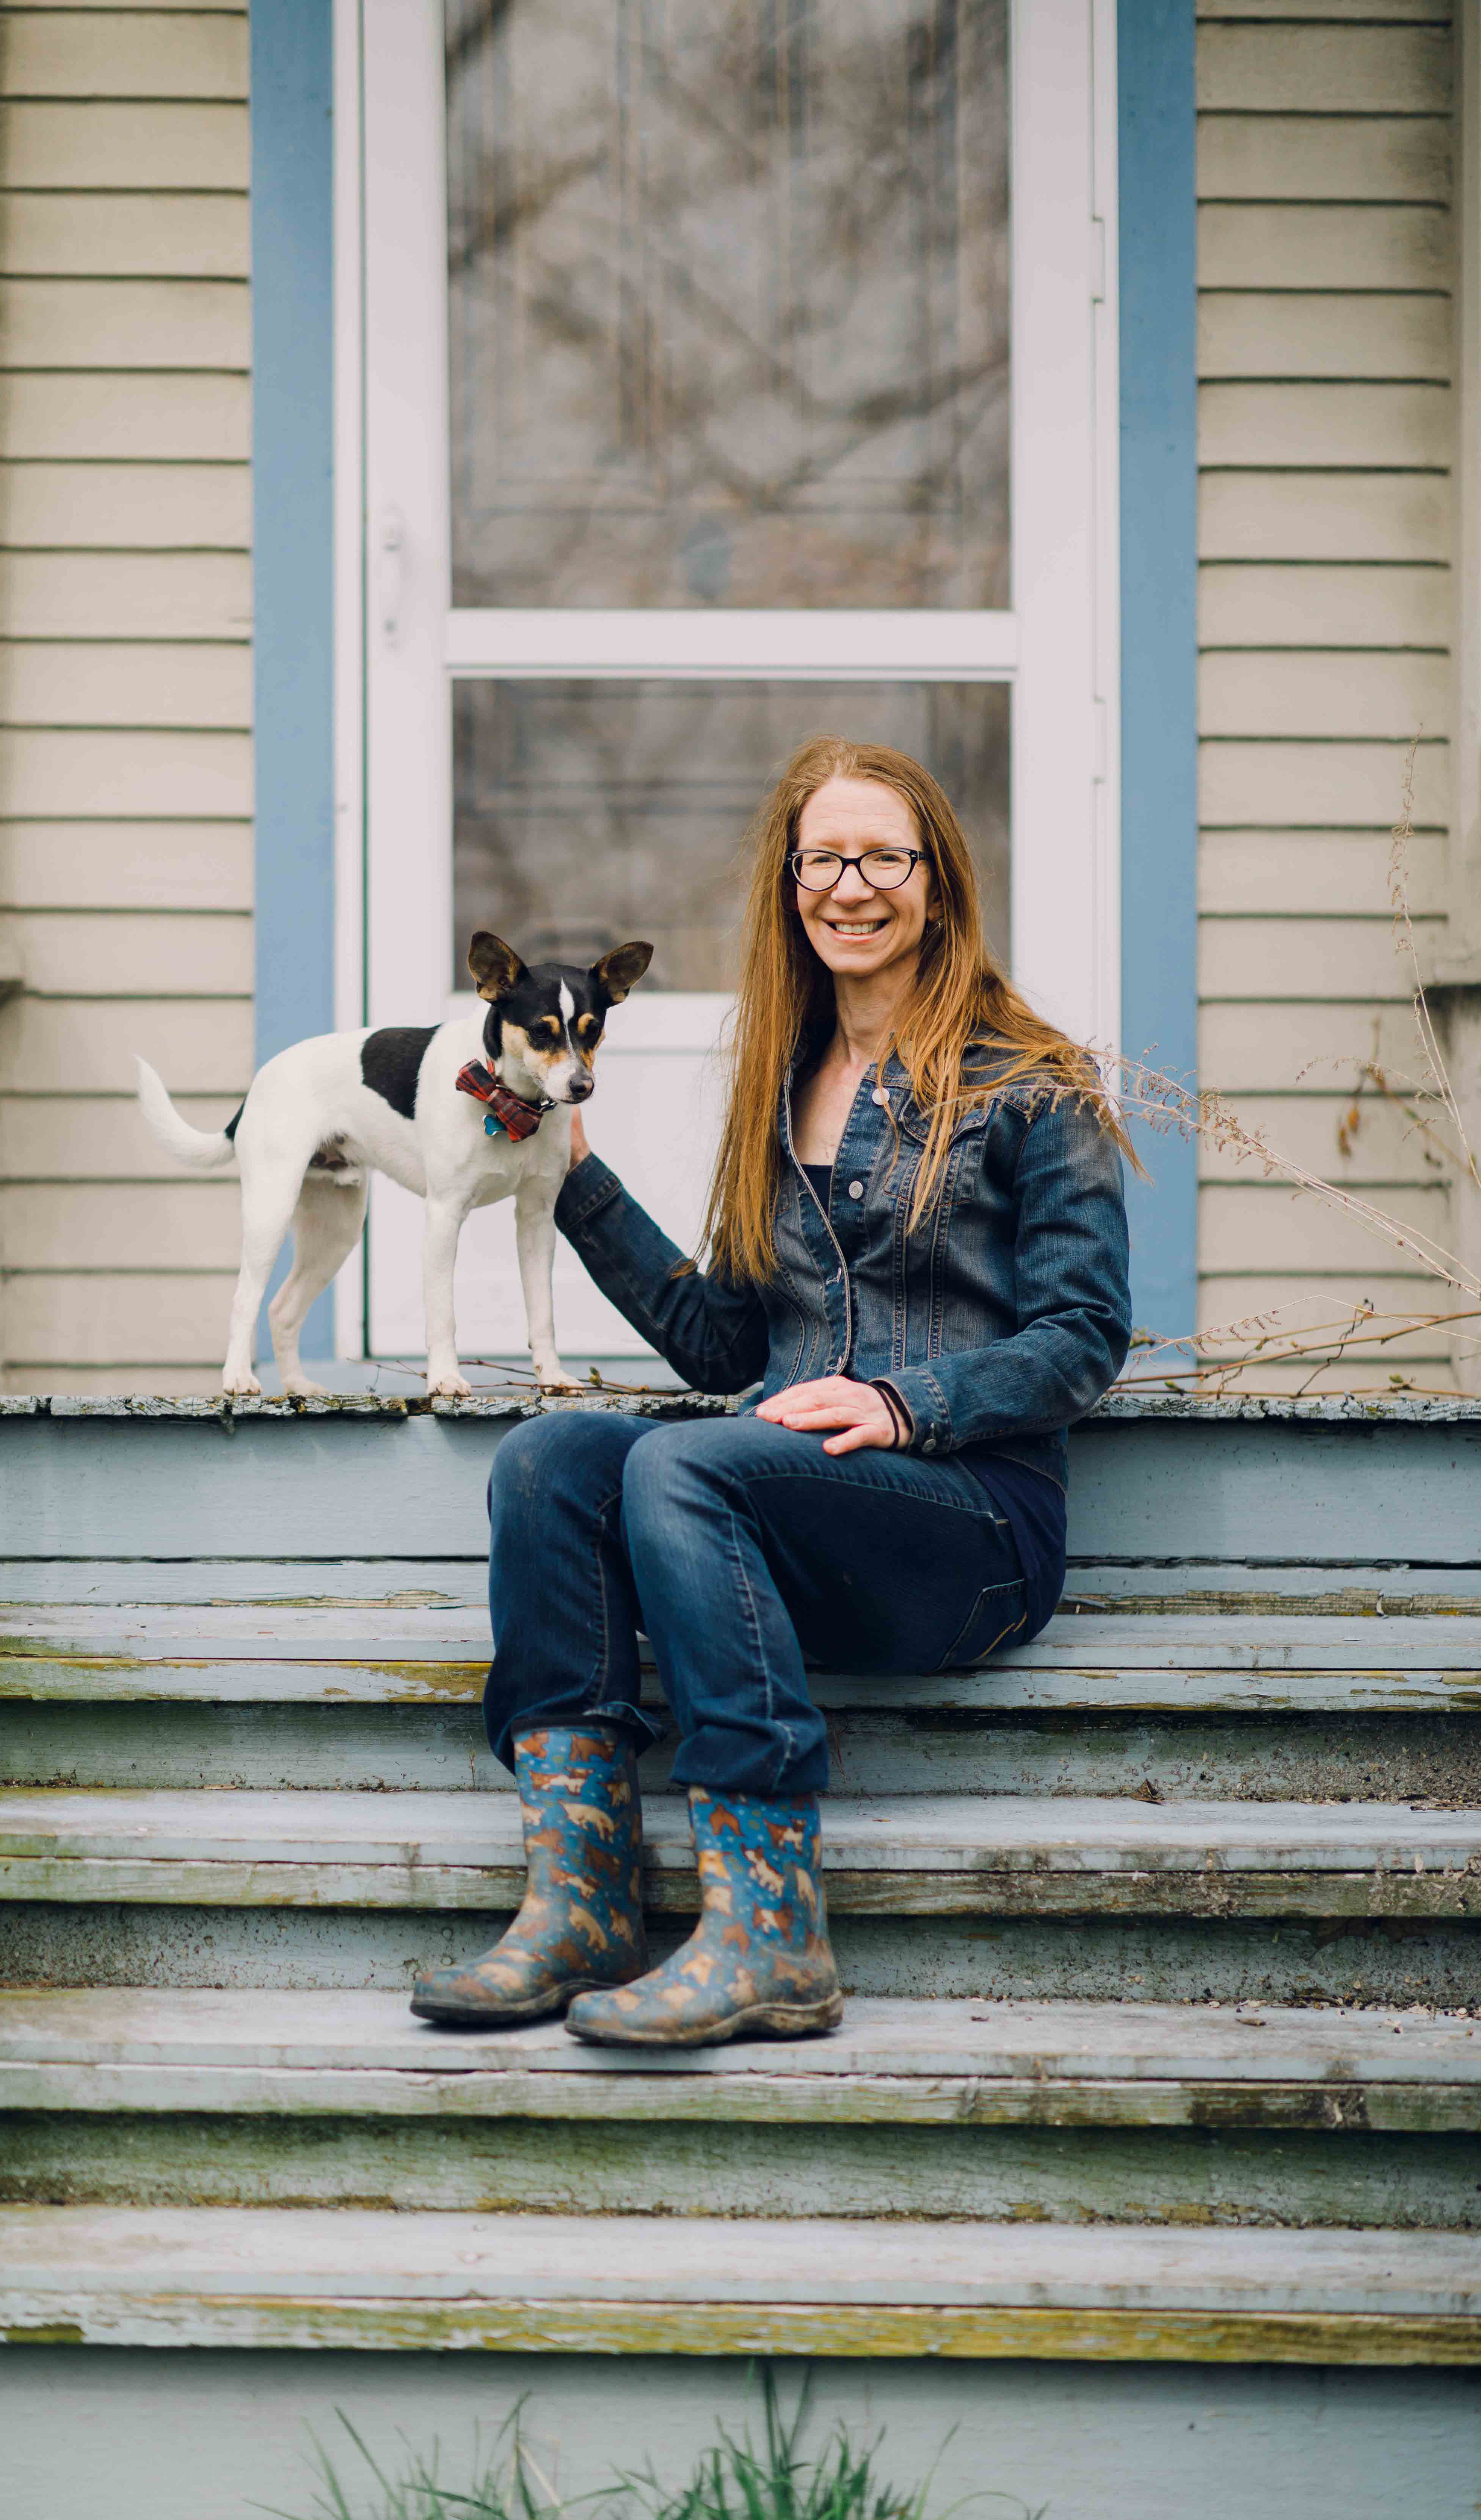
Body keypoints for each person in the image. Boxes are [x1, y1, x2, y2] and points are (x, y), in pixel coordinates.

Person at [411, 736, 1132, 2049]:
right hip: (782, 1524)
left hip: (967, 1527)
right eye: (823, 860)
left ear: (940, 882)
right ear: (789, 886)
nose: (851, 886)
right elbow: (716, 1344)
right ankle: (578, 1898)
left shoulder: (1032, 1081)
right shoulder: (782, 1088)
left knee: (686, 1463)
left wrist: (908, 1404)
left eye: (884, 858)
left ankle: (769, 1927)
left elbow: (1084, 1334)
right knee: (550, 1457)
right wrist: (566, 1165)